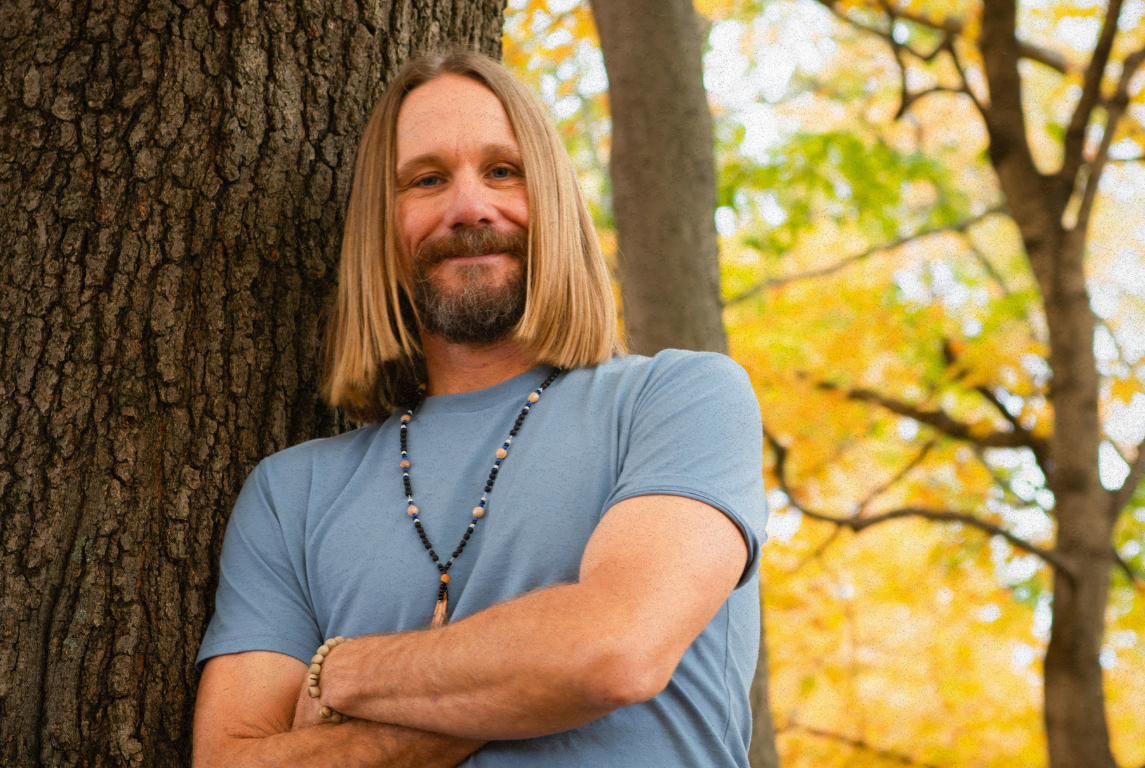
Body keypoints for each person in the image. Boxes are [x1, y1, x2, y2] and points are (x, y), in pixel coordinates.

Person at [192, 50, 767, 767]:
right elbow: (231, 761)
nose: (469, 208)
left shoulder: (680, 398)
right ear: (383, 220)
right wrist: (521, 684)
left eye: (502, 171)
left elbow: (614, 652)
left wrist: (340, 673)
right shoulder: (289, 493)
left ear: (553, 197)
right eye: (426, 180)